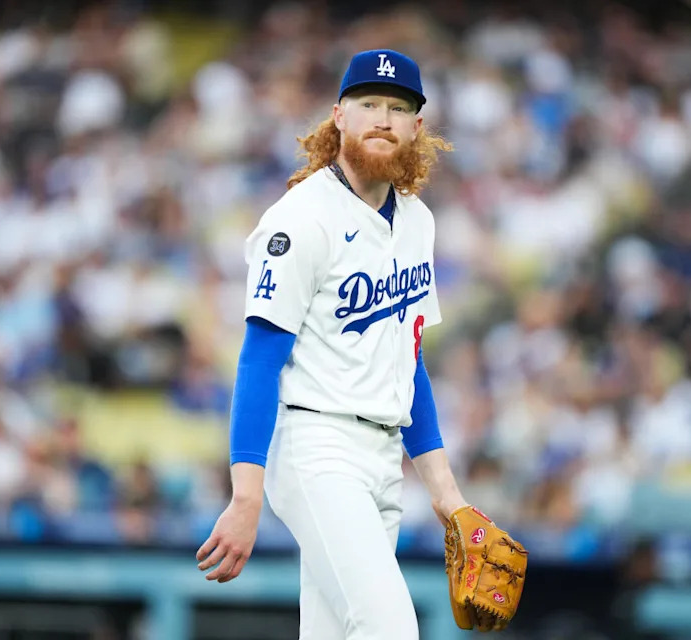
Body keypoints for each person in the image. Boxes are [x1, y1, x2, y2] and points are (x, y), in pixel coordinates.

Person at [196, 49, 468, 639]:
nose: (383, 117)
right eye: (368, 103)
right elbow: (259, 361)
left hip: (383, 458)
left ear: (417, 128)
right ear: (338, 116)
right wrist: (247, 496)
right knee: (390, 629)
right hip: (317, 446)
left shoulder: (417, 221)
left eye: (399, 108)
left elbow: (408, 361)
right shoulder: (301, 220)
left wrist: (447, 496)